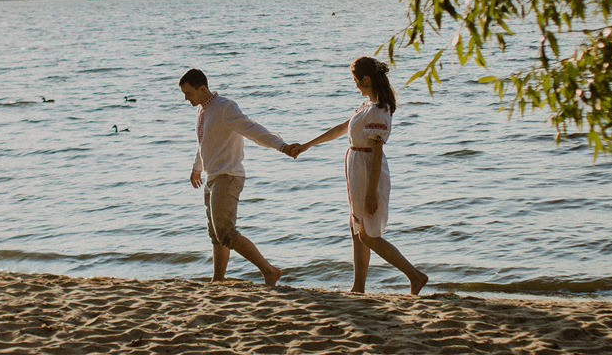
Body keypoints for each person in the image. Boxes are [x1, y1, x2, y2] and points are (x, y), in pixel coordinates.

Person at [286, 57, 429, 295]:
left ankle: (415, 276)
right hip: (357, 170)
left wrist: (372, 192)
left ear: (367, 79)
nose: (355, 86)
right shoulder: (366, 107)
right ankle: (359, 287)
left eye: (356, 81)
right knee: (356, 230)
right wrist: (308, 145)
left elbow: (376, 153)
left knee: (369, 235)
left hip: (367, 171)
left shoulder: (378, 111)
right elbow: (343, 128)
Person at [179, 68, 294, 287]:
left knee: (226, 232)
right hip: (212, 176)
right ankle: (218, 280)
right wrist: (196, 168)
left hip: (228, 175)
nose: (186, 98)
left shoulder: (225, 107)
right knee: (216, 234)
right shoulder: (203, 111)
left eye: (188, 93)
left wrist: (282, 146)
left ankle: (269, 271)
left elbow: (253, 130)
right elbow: (204, 143)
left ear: (202, 88)